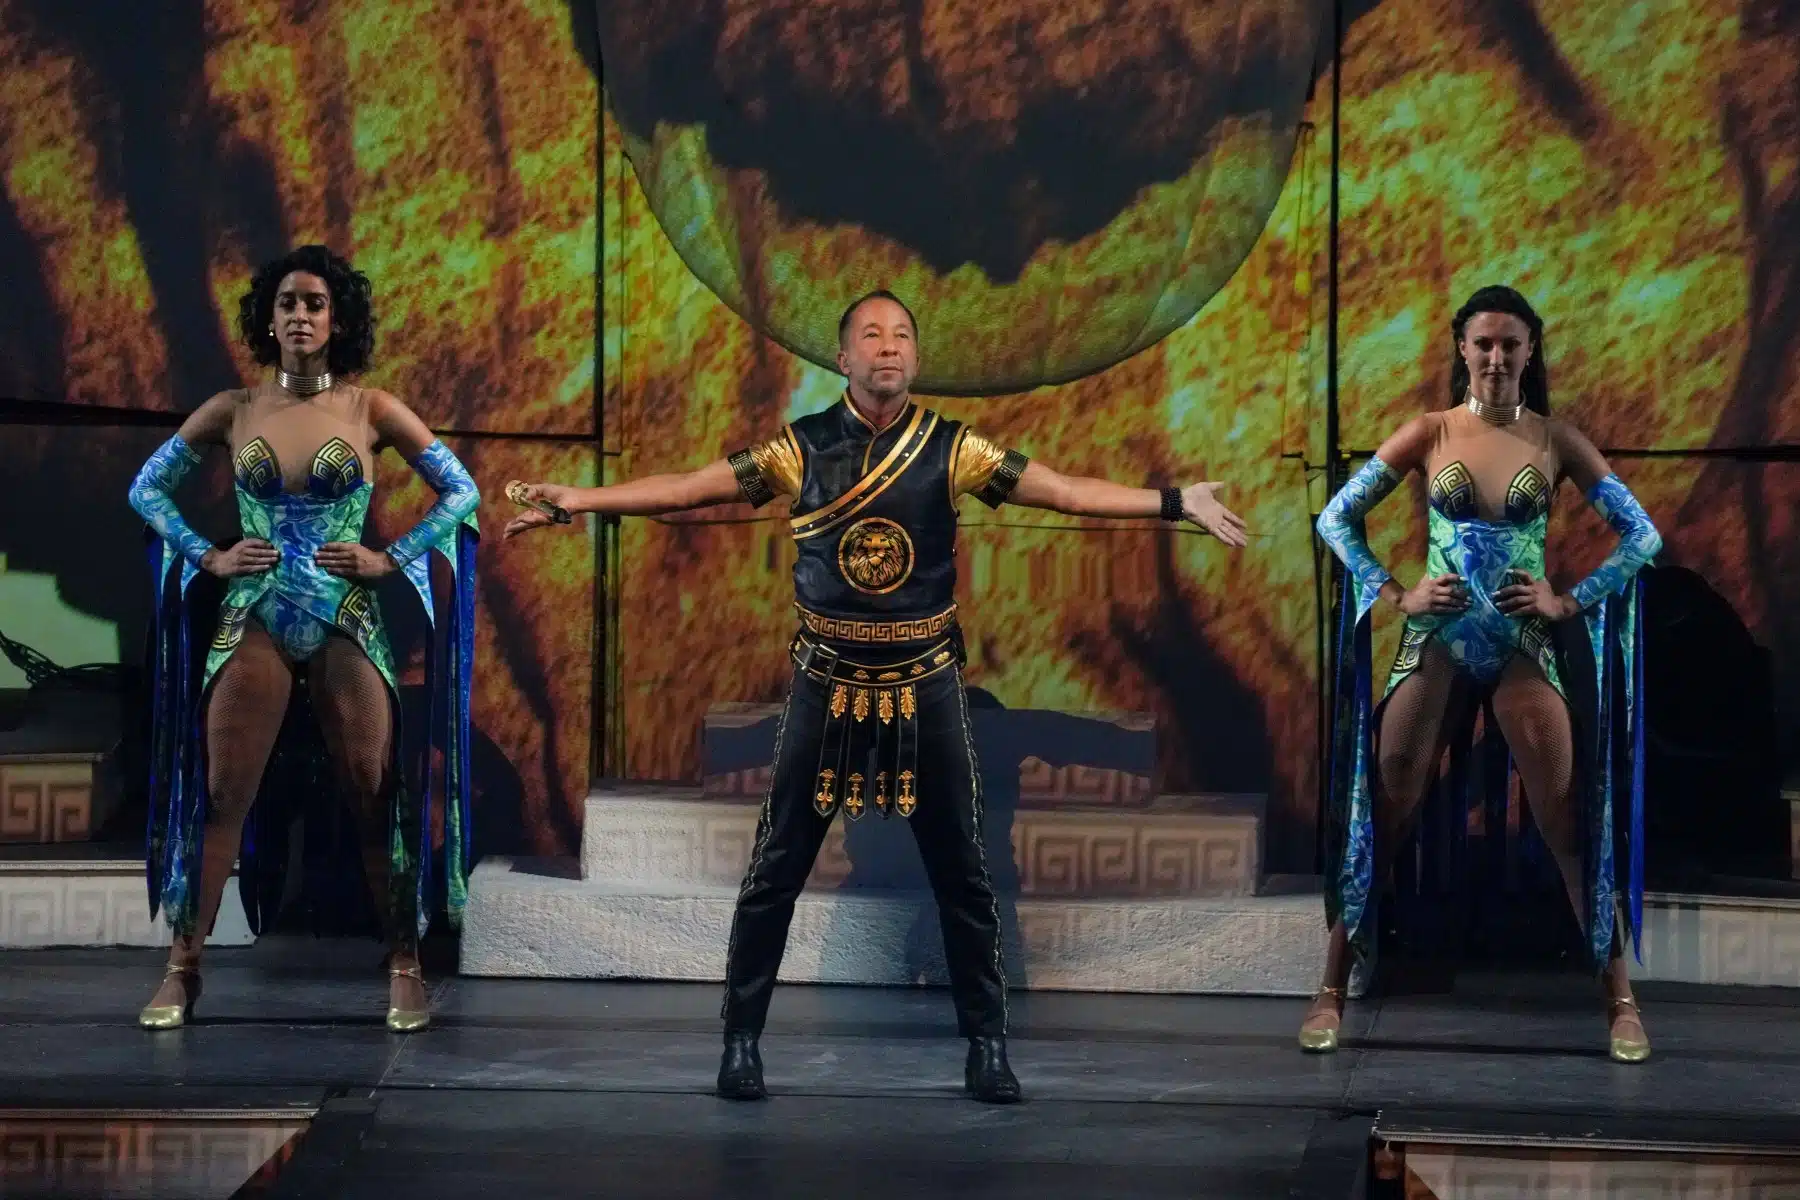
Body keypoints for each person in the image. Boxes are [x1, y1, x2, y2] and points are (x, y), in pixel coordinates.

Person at [505, 290, 1247, 1102]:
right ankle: (741, 1043)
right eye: (871, 335)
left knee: (964, 873)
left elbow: (1065, 492)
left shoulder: (954, 449)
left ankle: (988, 1046)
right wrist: (580, 499)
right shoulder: (800, 450)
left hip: (926, 683)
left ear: (916, 358)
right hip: (826, 682)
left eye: (900, 336)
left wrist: (1176, 502)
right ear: (843, 358)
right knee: (776, 868)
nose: (887, 346)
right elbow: (688, 487)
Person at [1304, 285, 1661, 1062]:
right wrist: (1396, 592)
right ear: (1462, 349)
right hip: (1437, 640)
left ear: (1531, 351)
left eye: (1510, 344)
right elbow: (1335, 518)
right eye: (1483, 343)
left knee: (1568, 822)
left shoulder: (1556, 440)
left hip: (1521, 647)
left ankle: (1620, 1000)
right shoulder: (1429, 431)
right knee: (1384, 807)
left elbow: (1642, 535)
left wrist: (1568, 601)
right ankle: (1329, 989)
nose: (1496, 357)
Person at [128, 245, 480, 1033]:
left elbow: (462, 491)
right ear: (268, 318)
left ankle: (404, 963)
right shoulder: (232, 409)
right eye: (286, 303)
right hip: (252, 614)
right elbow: (146, 488)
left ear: (338, 319)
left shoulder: (371, 410)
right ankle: (182, 967)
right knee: (223, 792)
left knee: (373, 788)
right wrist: (207, 555)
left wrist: (391, 557)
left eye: (314, 303)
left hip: (344, 615)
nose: (299, 316)